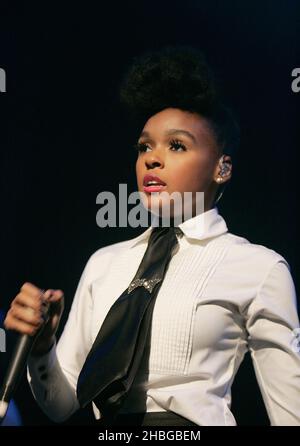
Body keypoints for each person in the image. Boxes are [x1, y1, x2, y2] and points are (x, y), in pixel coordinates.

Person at [3, 46, 300, 426]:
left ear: (222, 168)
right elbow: (61, 405)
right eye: (145, 146)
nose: (152, 158)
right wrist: (42, 349)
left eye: (176, 145)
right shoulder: (104, 262)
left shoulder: (259, 268)